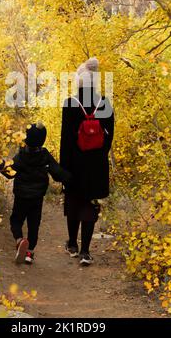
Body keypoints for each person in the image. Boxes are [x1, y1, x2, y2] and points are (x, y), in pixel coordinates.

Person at [60, 57, 114, 266]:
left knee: (73, 202)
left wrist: (64, 169)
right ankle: (85, 252)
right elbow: (109, 137)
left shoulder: (70, 103)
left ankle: (72, 244)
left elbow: (66, 139)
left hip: (74, 164)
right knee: (90, 206)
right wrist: (99, 155)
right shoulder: (105, 103)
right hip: (96, 165)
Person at [0, 122, 71, 265]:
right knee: (34, 224)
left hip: (21, 196)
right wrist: (70, 178)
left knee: (16, 220)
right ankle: (30, 252)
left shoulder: (21, 155)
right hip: (37, 198)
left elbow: (10, 173)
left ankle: (19, 240)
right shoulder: (45, 155)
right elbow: (57, 173)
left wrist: (0, 166)